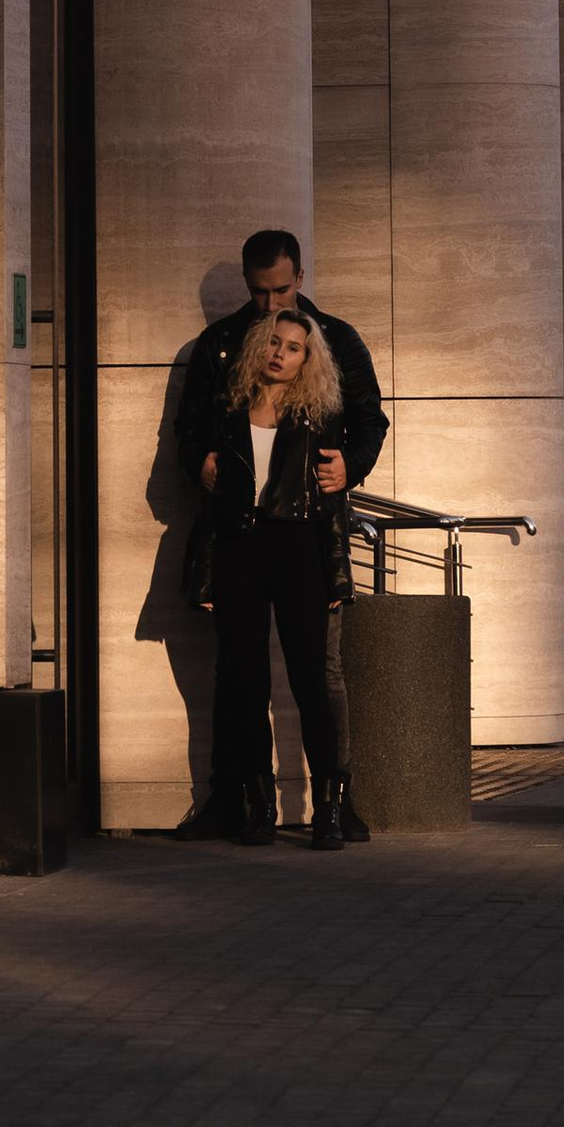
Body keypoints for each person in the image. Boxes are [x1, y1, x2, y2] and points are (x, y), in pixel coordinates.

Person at [173, 230, 387, 842]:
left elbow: (370, 418)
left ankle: (335, 802)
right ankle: (239, 799)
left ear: (301, 275)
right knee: (238, 674)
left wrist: (352, 465)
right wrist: (202, 464)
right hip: (240, 536)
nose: (271, 307)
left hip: (307, 535)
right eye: (259, 293)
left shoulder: (336, 340)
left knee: (318, 672)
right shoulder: (222, 347)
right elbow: (188, 430)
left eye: (282, 289)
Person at [186, 309, 353, 850]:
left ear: (309, 359)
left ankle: (328, 810)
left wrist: (336, 579)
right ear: (260, 346)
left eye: (295, 347)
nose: (281, 353)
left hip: (299, 551)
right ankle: (261, 808)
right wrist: (208, 578)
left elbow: (333, 507)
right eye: (274, 342)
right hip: (239, 552)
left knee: (310, 683)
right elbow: (210, 504)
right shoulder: (228, 409)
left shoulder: (317, 415)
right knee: (245, 684)